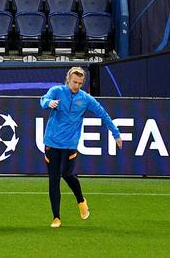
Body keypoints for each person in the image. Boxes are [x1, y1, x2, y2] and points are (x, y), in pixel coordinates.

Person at [39, 67, 123, 228]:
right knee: (53, 180)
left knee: (67, 174)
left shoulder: (86, 99)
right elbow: (43, 100)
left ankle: (81, 200)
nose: (76, 86)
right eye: (74, 82)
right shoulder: (57, 91)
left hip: (70, 144)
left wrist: (116, 134)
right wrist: (49, 103)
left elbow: (103, 114)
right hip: (51, 143)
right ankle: (56, 217)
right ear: (68, 80)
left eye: (79, 83)